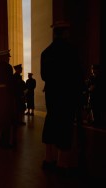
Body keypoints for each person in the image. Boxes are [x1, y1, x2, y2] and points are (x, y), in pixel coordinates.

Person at [40, 21, 84, 172]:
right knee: (65, 126)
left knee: (51, 122)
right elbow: (78, 75)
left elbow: (44, 75)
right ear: (65, 33)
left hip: (52, 95)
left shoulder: (45, 53)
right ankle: (62, 163)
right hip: (67, 94)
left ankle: (48, 158)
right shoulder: (71, 51)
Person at [0, 50, 17, 147]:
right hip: (5, 95)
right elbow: (10, 82)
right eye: (8, 57)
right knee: (6, 118)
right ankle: (5, 141)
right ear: (4, 58)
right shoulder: (8, 68)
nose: (9, 59)